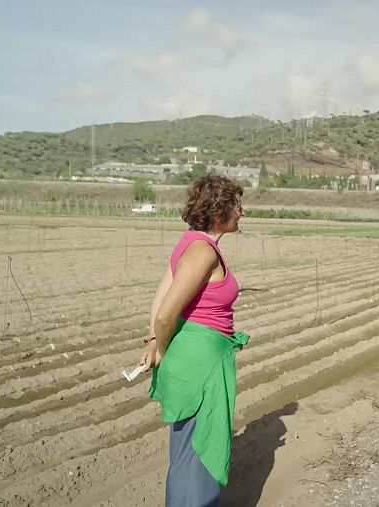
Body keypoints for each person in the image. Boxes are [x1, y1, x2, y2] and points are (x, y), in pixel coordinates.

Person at [140, 174, 248, 506]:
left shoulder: (190, 242)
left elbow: (158, 303)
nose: (242, 213)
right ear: (219, 213)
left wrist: (155, 343)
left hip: (193, 359)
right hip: (200, 366)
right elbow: (165, 314)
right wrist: (163, 347)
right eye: (237, 206)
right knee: (201, 452)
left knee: (187, 452)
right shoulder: (203, 253)